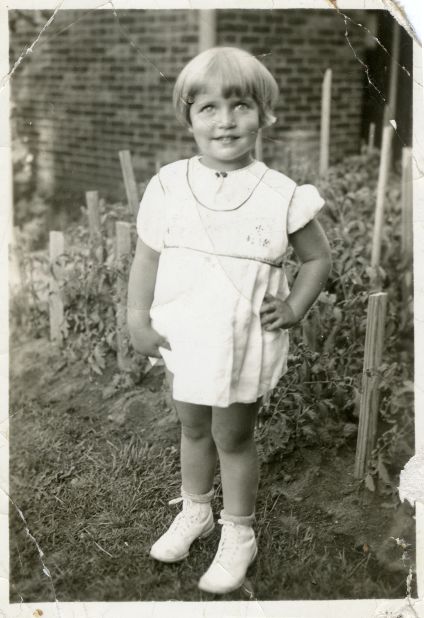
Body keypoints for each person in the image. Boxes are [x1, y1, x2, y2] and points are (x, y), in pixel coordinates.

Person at [127, 46, 331, 595]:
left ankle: (239, 532)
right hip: (185, 331)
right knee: (192, 426)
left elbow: (318, 258)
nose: (225, 121)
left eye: (240, 106)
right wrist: (137, 317)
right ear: (188, 117)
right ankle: (196, 510)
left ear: (263, 114)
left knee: (232, 435)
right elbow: (147, 256)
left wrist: (293, 307)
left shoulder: (280, 193)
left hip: (243, 338)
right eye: (208, 108)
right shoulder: (168, 184)